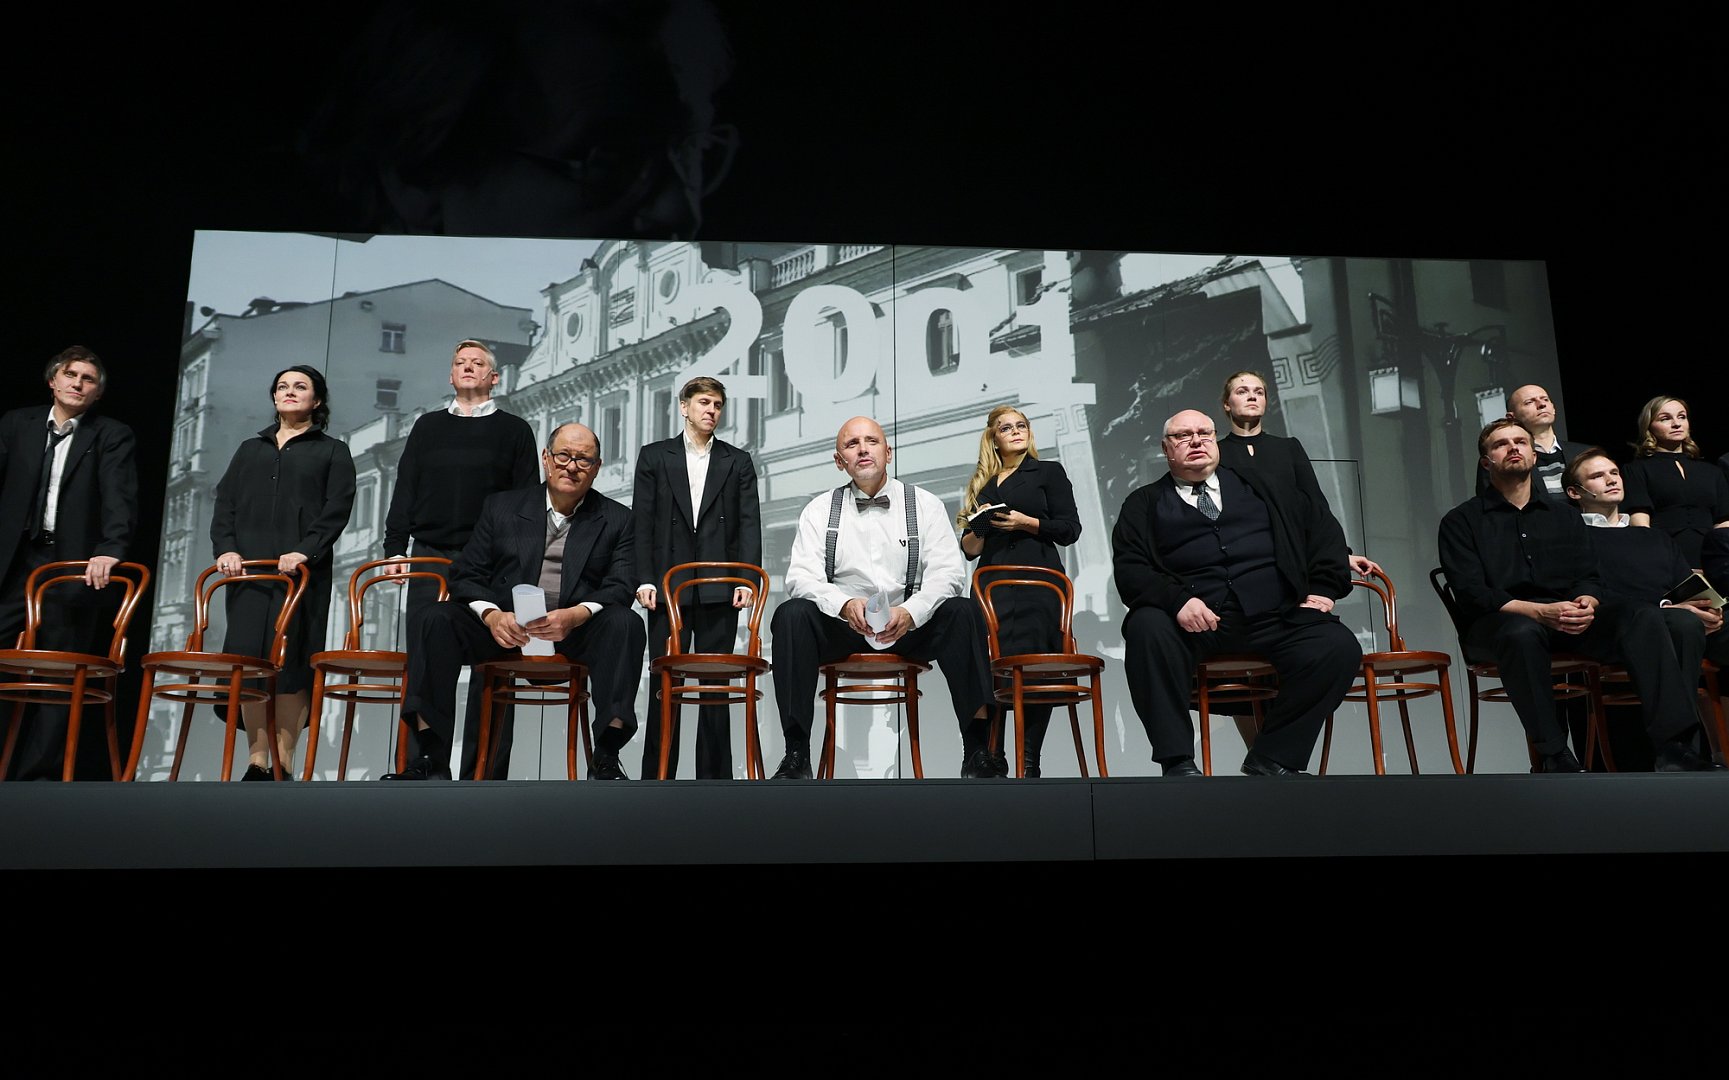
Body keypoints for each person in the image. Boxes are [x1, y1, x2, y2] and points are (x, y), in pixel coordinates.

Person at [1436, 419, 1721, 772]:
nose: (1513, 448)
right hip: (1500, 621)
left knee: (1641, 615)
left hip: (1566, 617)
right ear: (1486, 462)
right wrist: (1537, 612)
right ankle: (1553, 754)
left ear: (1534, 456)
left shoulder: (1564, 517)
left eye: (1521, 442)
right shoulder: (1461, 521)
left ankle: (1673, 745)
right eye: (1501, 444)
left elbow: (1589, 575)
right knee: (1522, 633)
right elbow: (1471, 592)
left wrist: (1587, 601)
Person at [384, 422, 644, 781]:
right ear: (546, 458)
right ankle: (429, 754)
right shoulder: (502, 507)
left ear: (596, 468)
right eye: (564, 456)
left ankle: (606, 756)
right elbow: (467, 574)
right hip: (504, 629)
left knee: (626, 623)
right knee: (434, 618)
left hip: (573, 631)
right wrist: (492, 616)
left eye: (583, 460)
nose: (572, 466)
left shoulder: (618, 518)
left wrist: (575, 615)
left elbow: (621, 584)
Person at [1111, 408, 1360, 777]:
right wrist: (1178, 601)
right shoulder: (1143, 503)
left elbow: (1322, 529)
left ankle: (1272, 756)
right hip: (1195, 625)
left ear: (1216, 441)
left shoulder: (1263, 487)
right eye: (1183, 436)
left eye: (1204, 433)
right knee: (1146, 626)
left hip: (1274, 615)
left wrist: (1324, 586)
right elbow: (1131, 569)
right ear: (1166, 448)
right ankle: (1177, 761)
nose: (1196, 441)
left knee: (1338, 647)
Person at [769, 416, 996, 779]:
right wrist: (843, 605)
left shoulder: (924, 504)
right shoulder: (819, 510)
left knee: (963, 611)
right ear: (839, 460)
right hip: (842, 629)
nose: (863, 449)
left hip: (910, 629)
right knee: (791, 614)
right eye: (852, 444)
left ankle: (978, 751)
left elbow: (948, 574)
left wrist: (910, 612)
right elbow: (801, 577)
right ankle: (796, 754)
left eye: (871, 441)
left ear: (888, 452)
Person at [380, 339, 539, 775]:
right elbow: (405, 489)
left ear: (494, 377)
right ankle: (424, 763)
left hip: (492, 559)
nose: (468, 367)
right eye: (460, 362)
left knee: (496, 662)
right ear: (451, 375)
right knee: (426, 660)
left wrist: (520, 561)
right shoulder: (427, 427)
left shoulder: (515, 430)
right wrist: (395, 549)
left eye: (477, 362)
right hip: (429, 557)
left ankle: (485, 770)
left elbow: (527, 501)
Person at [211, 365, 357, 780]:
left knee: (292, 664)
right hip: (250, 575)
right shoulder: (249, 449)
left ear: (317, 399)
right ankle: (257, 760)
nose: (289, 392)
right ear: (274, 397)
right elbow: (225, 504)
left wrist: (305, 551)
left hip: (301, 576)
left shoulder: (333, 451)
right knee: (250, 662)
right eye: (282, 387)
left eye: (300, 386)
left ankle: (284, 761)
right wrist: (226, 549)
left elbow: (336, 509)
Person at [0, 346, 138, 780]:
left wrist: (110, 549)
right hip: (13, 560)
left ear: (98, 393)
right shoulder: (17, 424)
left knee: (59, 669)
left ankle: (36, 778)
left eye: (88, 379)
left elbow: (119, 497)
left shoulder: (111, 434)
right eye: (71, 375)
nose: (78, 383)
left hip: (71, 564)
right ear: (53, 381)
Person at [633, 376, 760, 779]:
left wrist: (746, 581)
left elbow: (748, 524)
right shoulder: (654, 456)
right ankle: (657, 779)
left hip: (720, 586)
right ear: (684, 406)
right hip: (666, 589)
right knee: (664, 685)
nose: (712, 411)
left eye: (718, 405)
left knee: (715, 687)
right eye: (704, 402)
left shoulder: (737, 460)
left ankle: (715, 782)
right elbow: (643, 523)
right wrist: (644, 579)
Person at [1565, 448, 1727, 740]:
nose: (1611, 480)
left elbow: (1686, 585)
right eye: (1598, 476)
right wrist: (1668, 608)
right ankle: (1680, 744)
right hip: (1615, 627)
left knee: (1701, 621)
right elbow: (1590, 591)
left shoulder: (1655, 536)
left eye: (1614, 473)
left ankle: (1690, 747)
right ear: (1575, 492)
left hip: (1674, 621)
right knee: (1681, 623)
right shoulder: (1572, 537)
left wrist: (1708, 608)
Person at [956, 405, 1081, 777]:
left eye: (1021, 425)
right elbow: (969, 549)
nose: (1015, 431)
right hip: (992, 587)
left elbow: (1070, 529)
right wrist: (980, 527)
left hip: (1037, 582)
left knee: (1034, 668)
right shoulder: (984, 484)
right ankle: (993, 755)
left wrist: (1027, 522)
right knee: (989, 667)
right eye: (1006, 427)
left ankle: (1030, 761)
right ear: (993, 439)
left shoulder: (1048, 472)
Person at [1216, 370, 1380, 577]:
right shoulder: (1216, 452)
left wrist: (1340, 554)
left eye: (1259, 392)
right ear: (1227, 404)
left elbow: (1315, 506)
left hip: (1291, 558)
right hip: (1242, 561)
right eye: (1242, 391)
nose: (1252, 397)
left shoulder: (1288, 447)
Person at [1623, 395, 1729, 569]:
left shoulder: (1712, 471)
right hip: (1665, 556)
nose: (1676, 424)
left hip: (1712, 559)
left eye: (1682, 417)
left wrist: (1721, 561)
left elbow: (1723, 521)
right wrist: (1656, 557)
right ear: (1648, 426)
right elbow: (1640, 521)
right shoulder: (1637, 469)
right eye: (1665, 418)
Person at [1474, 383, 1590, 505]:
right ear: (1511, 417)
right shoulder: (1500, 460)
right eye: (1529, 402)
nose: (1541, 404)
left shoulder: (1586, 454)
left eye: (1545, 399)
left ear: (1553, 408)